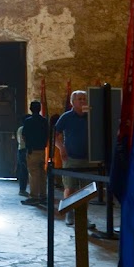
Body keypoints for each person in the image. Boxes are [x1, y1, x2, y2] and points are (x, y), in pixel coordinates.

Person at [55, 90, 89, 225]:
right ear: (72, 102)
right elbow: (55, 135)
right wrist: (61, 148)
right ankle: (70, 214)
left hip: (87, 159)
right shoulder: (66, 117)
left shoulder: (90, 117)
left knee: (86, 190)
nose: (82, 101)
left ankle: (83, 217)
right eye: (79, 99)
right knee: (70, 187)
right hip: (71, 158)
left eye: (84, 99)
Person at [21, 100, 49, 205]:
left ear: (31, 109)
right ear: (40, 109)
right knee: (42, 173)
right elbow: (47, 134)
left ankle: (34, 196)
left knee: (33, 174)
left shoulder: (28, 121)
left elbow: (24, 136)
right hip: (42, 150)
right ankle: (43, 195)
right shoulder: (44, 121)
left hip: (32, 151)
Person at [15, 119, 28, 196]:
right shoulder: (25, 129)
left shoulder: (19, 129)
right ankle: (22, 189)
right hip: (24, 150)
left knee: (22, 170)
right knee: (24, 171)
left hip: (20, 149)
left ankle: (22, 189)